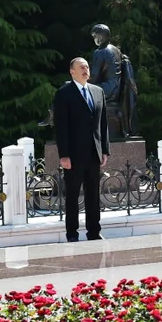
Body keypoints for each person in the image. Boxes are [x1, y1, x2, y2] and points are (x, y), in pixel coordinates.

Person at [53, 57, 110, 242]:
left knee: (93, 195)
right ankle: (72, 234)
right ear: (72, 71)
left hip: (94, 153)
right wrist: (64, 155)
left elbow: (103, 124)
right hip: (74, 155)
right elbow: (61, 127)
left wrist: (105, 150)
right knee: (72, 196)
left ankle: (94, 231)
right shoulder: (64, 94)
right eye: (81, 67)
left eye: (86, 66)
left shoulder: (98, 92)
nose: (85, 70)